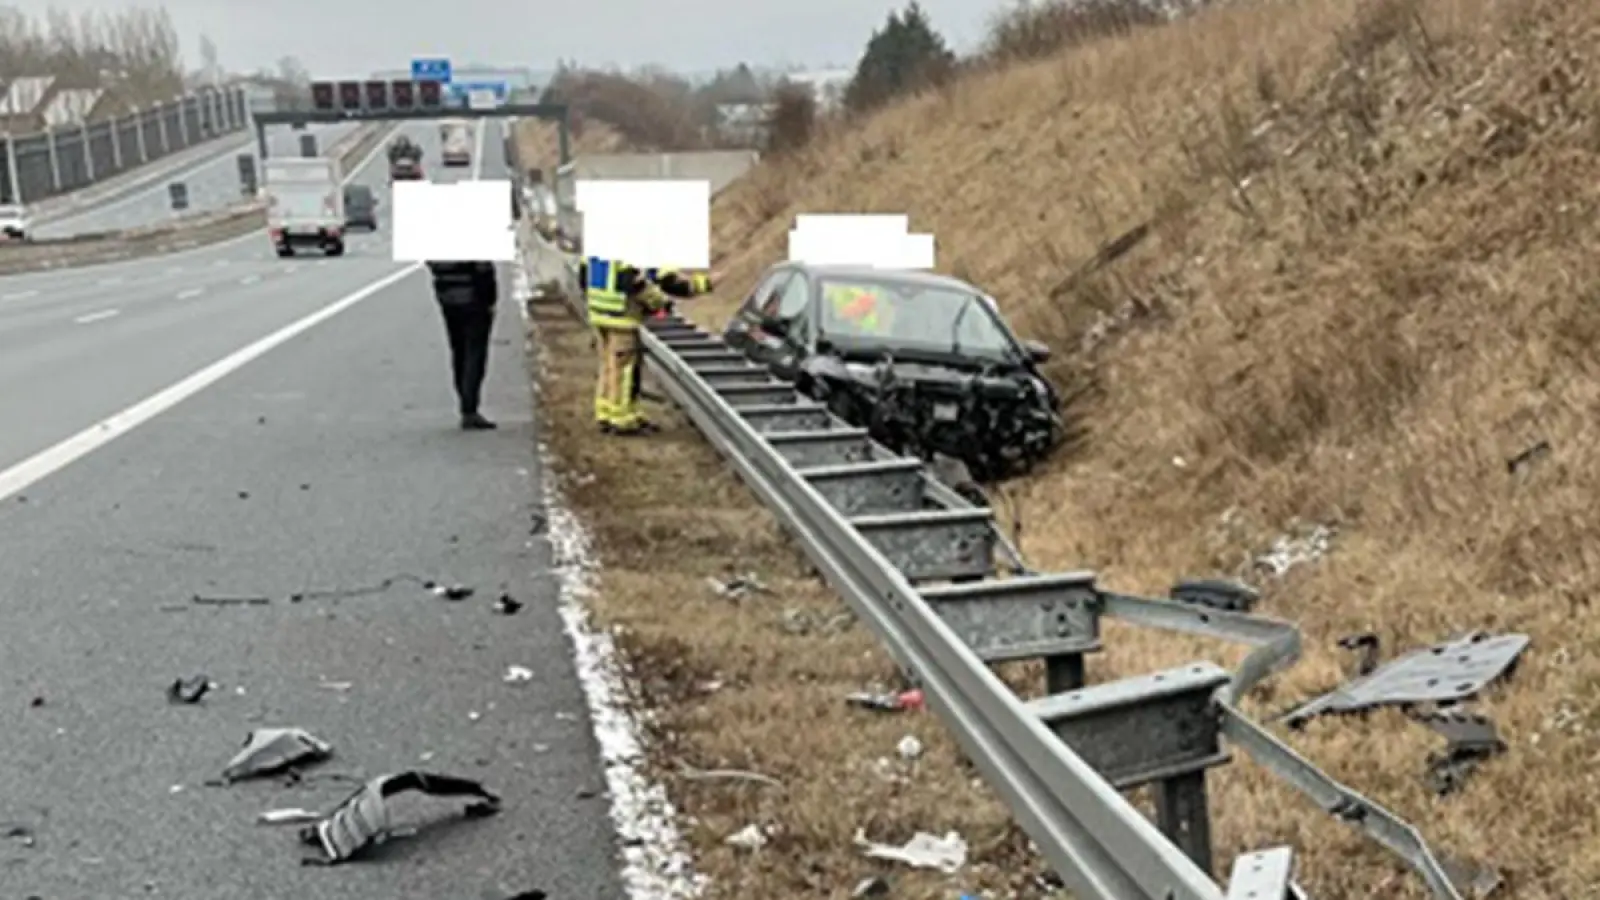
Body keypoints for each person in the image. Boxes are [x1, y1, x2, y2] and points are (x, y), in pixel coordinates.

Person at [585, 257, 712, 435]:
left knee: (609, 366)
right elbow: (639, 282)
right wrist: (659, 303)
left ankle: (606, 411)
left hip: (599, 314)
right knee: (626, 370)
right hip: (622, 317)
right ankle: (623, 419)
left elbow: (584, 275)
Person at [426, 260, 499, 430]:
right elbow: (483, 267)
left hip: (446, 294)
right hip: (473, 296)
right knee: (475, 350)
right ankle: (470, 407)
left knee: (458, 349)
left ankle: (465, 403)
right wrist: (490, 297)